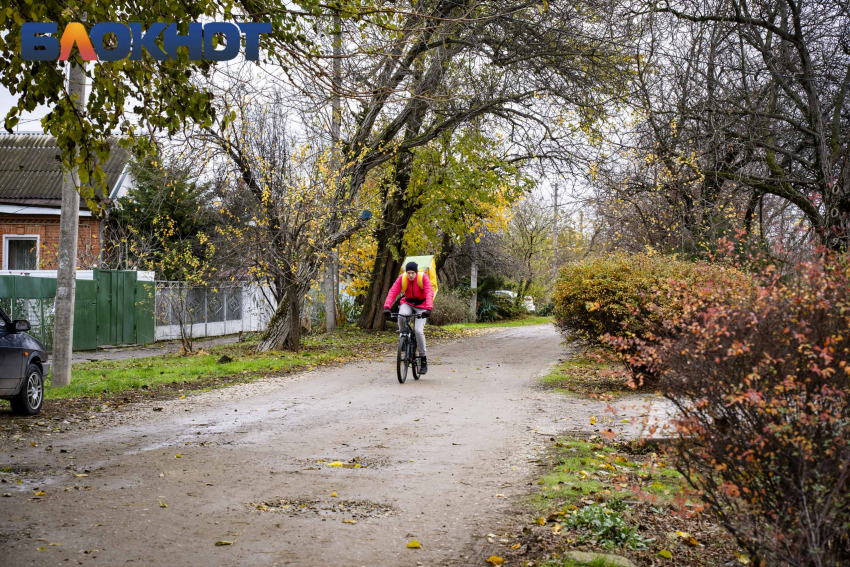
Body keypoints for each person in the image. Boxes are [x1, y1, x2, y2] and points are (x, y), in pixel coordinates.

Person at [383, 261, 434, 374]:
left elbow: (429, 292)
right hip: (408, 303)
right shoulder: (402, 278)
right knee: (401, 315)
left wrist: (428, 309)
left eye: (412, 273)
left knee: (418, 330)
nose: (410, 275)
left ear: (416, 272)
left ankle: (423, 359)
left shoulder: (423, 278)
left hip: (422, 306)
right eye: (408, 273)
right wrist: (387, 307)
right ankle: (404, 336)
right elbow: (392, 292)